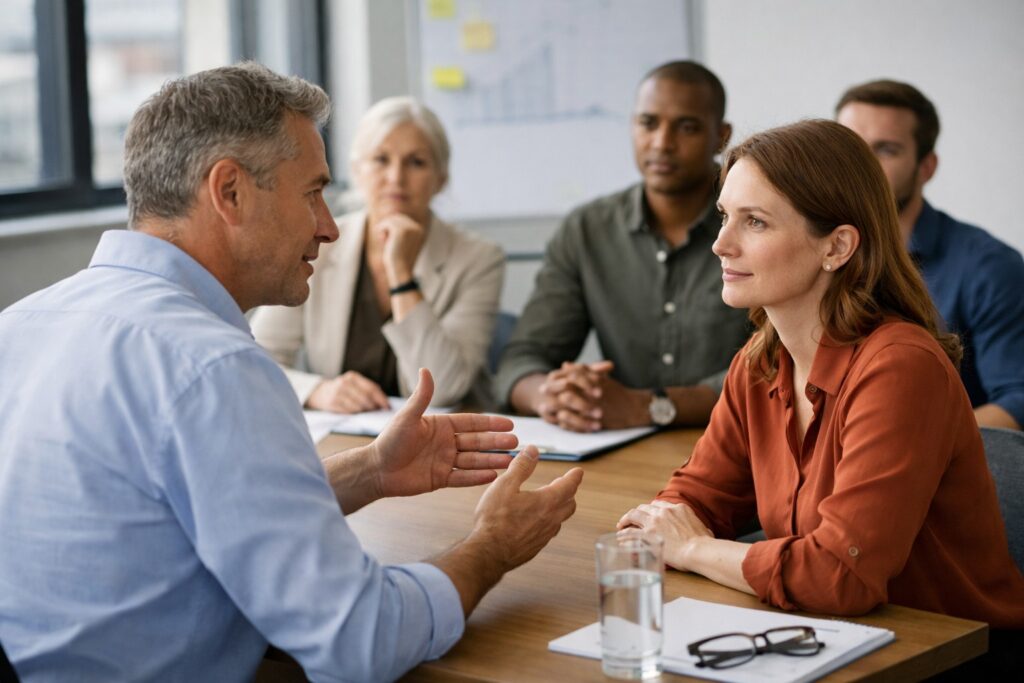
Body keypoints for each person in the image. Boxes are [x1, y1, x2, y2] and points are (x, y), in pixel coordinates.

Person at [0, 63, 583, 682]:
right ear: (229, 192)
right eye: (312, 192)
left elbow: (175, 514)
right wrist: (491, 546)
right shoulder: (214, 368)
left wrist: (373, 470)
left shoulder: (20, 325)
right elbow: (362, 640)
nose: (329, 226)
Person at [619, 120, 1024, 631]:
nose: (721, 244)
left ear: (836, 247)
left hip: (944, 651)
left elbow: (840, 577)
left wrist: (694, 548)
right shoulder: (759, 362)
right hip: (828, 635)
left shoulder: (901, 368)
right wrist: (663, 529)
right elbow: (692, 500)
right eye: (724, 216)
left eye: (756, 222)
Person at [494, 60, 750, 433]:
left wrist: (650, 406)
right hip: (623, 447)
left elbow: (775, 367)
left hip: (739, 445)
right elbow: (523, 358)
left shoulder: (757, 225)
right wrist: (552, 395)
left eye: (687, 127)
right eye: (648, 123)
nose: (662, 143)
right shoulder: (587, 230)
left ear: (721, 137)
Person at [251, 96, 504, 413]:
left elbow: (443, 390)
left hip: (442, 440)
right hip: (346, 437)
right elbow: (255, 358)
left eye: (416, 162)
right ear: (357, 171)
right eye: (381, 160)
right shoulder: (317, 244)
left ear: (440, 179)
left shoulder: (478, 259)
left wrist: (400, 272)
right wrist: (316, 390)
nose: (396, 177)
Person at [836, 79, 1024, 431]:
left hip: (940, 471)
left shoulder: (990, 267)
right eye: (851, 149)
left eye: (886, 150)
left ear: (926, 167)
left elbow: (1017, 403)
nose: (861, 167)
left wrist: (902, 438)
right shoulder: (815, 254)